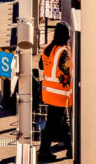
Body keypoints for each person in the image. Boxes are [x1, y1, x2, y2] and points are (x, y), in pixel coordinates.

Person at [39, 22, 73, 162]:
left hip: (48, 92)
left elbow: (41, 66)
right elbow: (66, 76)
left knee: (62, 122)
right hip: (58, 95)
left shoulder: (47, 49)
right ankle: (43, 152)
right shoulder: (63, 53)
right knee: (52, 125)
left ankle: (70, 148)